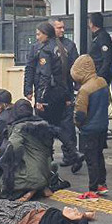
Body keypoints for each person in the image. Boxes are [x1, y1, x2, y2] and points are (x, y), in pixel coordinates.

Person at [24, 23, 74, 157]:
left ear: (46, 34)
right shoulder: (61, 48)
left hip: (49, 93)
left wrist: (40, 99)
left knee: (44, 126)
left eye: (39, 34)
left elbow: (45, 76)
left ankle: (48, 156)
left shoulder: (45, 50)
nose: (37, 37)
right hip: (61, 92)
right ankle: (72, 152)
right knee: (58, 124)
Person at [72, 54, 110, 195]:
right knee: (99, 156)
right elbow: (108, 102)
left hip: (89, 129)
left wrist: (78, 124)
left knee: (91, 159)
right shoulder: (102, 82)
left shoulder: (85, 90)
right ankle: (102, 184)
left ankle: (92, 189)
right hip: (102, 126)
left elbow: (80, 113)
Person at [49, 19, 83, 167]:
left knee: (67, 125)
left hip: (66, 91)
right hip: (49, 93)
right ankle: (46, 156)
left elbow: (76, 66)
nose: (62, 30)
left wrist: (75, 87)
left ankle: (71, 155)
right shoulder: (44, 46)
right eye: (59, 28)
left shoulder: (69, 45)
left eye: (63, 27)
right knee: (48, 126)